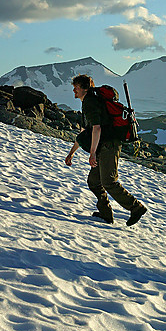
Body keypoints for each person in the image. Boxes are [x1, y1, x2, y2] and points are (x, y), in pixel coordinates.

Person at [64, 75, 147, 226]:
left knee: (109, 181)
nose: (74, 90)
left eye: (76, 87)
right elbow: (85, 132)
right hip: (104, 145)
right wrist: (71, 153)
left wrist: (92, 153)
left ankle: (136, 207)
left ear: (84, 88)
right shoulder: (88, 102)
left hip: (109, 145)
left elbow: (97, 128)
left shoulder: (90, 102)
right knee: (94, 181)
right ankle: (105, 214)